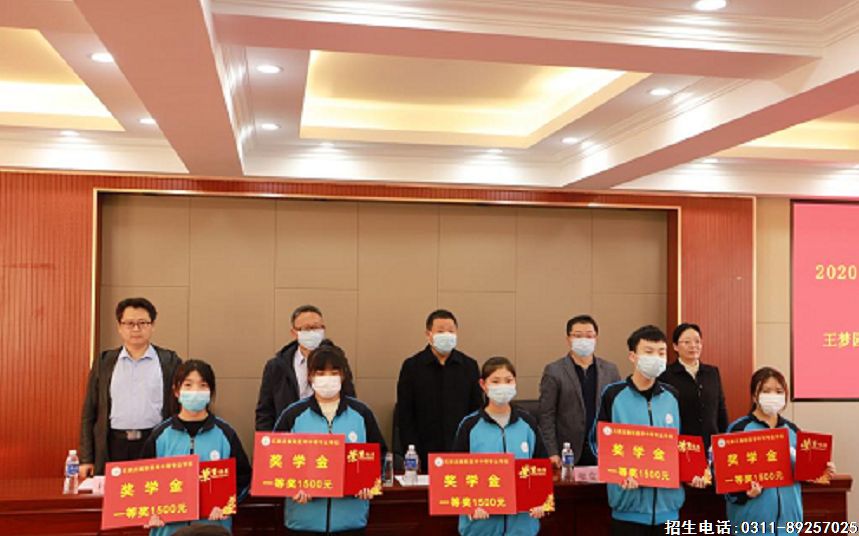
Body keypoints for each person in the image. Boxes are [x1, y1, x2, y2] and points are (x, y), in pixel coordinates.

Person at [274, 340, 387, 535]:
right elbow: (273, 460)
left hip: (350, 520)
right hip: (303, 521)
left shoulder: (361, 413)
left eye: (334, 373)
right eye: (320, 373)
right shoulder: (293, 414)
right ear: (310, 376)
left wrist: (370, 482)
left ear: (342, 376)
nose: (327, 379)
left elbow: (380, 454)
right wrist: (290, 487)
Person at [591, 325, 690, 536]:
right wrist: (617, 472)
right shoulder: (613, 395)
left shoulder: (672, 396)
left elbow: (682, 444)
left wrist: (694, 470)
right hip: (628, 508)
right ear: (632, 356)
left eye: (661, 353)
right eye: (648, 351)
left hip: (669, 509)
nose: (656, 358)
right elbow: (596, 442)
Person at [140, 360, 252, 536]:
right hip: (168, 530)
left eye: (202, 385)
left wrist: (228, 503)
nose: (195, 391)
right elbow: (142, 482)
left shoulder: (226, 434)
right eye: (188, 385)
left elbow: (244, 478)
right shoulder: (160, 435)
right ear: (176, 391)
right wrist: (149, 511)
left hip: (214, 529)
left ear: (210, 392)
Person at [723, 366, 835, 535]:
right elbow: (723, 479)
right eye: (766, 391)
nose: (773, 396)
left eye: (779, 391)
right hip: (751, 526)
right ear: (754, 396)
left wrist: (822, 471)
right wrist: (744, 494)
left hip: (788, 526)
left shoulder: (793, 431)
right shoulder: (739, 430)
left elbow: (805, 473)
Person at [79, 297, 182, 477]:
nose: (136, 329)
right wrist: (86, 458)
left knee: (153, 492)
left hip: (155, 442)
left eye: (142, 323)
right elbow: (89, 412)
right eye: (129, 323)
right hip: (113, 445)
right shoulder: (104, 362)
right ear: (119, 327)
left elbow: (180, 408)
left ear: (152, 326)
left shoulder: (169, 361)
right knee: (115, 494)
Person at [453, 356, 548, 536]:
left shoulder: (528, 423)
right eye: (495, 381)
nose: (502, 386)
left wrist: (540, 500)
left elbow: (540, 465)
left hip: (522, 526)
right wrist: (470, 505)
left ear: (515, 383)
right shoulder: (469, 425)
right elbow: (456, 472)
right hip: (481, 526)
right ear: (483, 384)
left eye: (508, 381)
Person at [396, 309, 483, 469]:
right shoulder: (412, 366)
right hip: (424, 450)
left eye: (451, 331)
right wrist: (411, 452)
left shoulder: (469, 366)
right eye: (441, 331)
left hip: (461, 451)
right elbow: (405, 415)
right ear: (428, 334)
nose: (446, 335)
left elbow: (476, 410)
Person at [256, 304, 356, 431]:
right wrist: (267, 439)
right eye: (307, 328)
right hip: (289, 434)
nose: (313, 332)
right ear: (294, 333)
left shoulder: (338, 360)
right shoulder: (277, 366)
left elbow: (350, 399)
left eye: (317, 327)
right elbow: (265, 411)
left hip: (330, 432)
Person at [539, 314, 621, 467]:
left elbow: (617, 411)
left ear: (596, 338)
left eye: (589, 336)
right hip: (568, 451)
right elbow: (546, 415)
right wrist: (552, 452)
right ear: (568, 339)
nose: (584, 340)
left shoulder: (610, 370)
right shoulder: (554, 371)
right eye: (578, 336)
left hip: (602, 448)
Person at [658, 323, 728, 450]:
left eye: (697, 341)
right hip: (682, 444)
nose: (693, 346)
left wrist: (724, 438)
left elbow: (720, 408)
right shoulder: (665, 375)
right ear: (675, 346)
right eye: (687, 342)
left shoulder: (712, 372)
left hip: (711, 443)